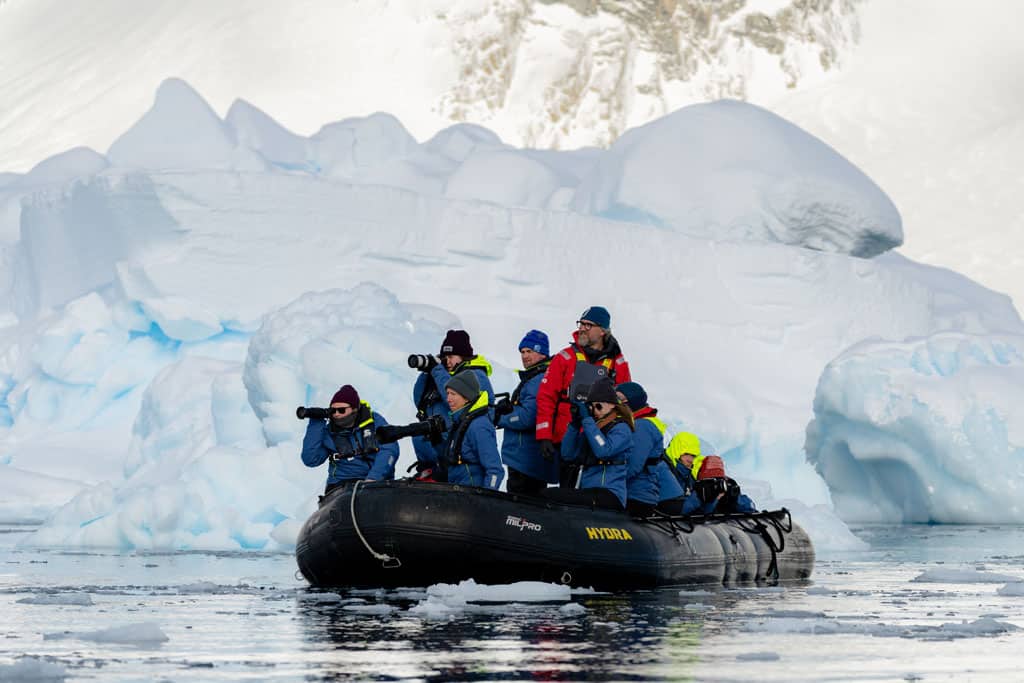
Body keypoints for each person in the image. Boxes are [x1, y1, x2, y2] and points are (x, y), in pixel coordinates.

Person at [535, 306, 631, 488]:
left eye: (588, 325)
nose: (582, 328)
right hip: (565, 437)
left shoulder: (618, 363)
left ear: (602, 331)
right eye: (581, 323)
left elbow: (624, 402)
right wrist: (544, 435)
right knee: (563, 487)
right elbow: (546, 397)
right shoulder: (565, 357)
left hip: (598, 440)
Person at [411, 329, 494, 477]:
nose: (447, 361)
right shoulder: (441, 374)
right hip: (435, 451)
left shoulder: (475, 376)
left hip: (458, 453)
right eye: (445, 357)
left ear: (463, 356)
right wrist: (426, 372)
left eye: (451, 356)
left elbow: (455, 397)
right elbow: (419, 400)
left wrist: (437, 370)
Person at [542, 376, 633, 511]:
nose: (595, 411)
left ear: (613, 405)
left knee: (551, 495)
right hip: (589, 491)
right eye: (592, 407)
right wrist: (574, 424)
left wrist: (587, 420)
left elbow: (604, 451)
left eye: (599, 406)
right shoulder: (594, 429)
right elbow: (568, 454)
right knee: (545, 494)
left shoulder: (621, 428)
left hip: (610, 493)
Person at [300, 385, 399, 496]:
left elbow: (390, 448)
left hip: (376, 481)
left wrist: (373, 478)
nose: (336, 414)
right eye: (333, 410)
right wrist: (316, 422)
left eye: (341, 410)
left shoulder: (374, 422)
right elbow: (311, 459)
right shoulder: (329, 432)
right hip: (342, 486)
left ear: (355, 409)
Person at [494, 330, 558, 496]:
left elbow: (527, 417)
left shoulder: (538, 380)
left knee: (520, 509)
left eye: (530, 351)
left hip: (526, 460)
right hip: (525, 459)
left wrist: (500, 417)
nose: (524, 356)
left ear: (542, 353)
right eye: (522, 352)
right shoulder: (534, 377)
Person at [441, 369, 504, 490]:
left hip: (472, 494)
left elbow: (495, 470)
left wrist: (486, 498)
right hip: (458, 491)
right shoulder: (459, 422)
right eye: (447, 393)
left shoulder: (478, 425)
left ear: (466, 397)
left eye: (453, 394)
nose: (448, 399)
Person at [664, 432, 756, 515]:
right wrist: (702, 496)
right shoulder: (664, 471)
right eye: (688, 454)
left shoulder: (686, 475)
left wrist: (732, 498)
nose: (691, 460)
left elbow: (701, 513)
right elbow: (674, 508)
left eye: (694, 456)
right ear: (677, 451)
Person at [615, 382, 661, 517]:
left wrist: (609, 482)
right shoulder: (632, 424)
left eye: (618, 398)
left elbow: (633, 464)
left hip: (635, 496)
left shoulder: (642, 427)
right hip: (630, 493)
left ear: (630, 402)